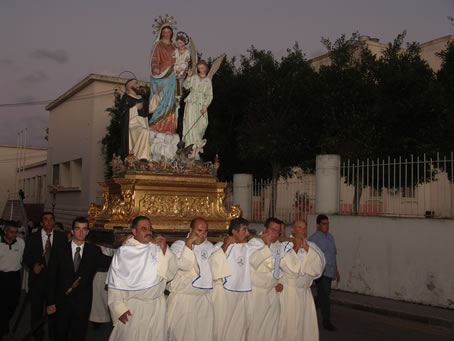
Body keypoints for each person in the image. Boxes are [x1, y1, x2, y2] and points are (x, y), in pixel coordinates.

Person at [106, 216, 177, 341]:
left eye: (150, 228)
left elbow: (170, 274)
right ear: (134, 231)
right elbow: (115, 284)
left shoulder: (157, 248)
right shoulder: (124, 252)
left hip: (157, 306)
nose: (149, 232)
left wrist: (165, 250)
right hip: (134, 307)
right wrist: (119, 308)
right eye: (144, 229)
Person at [46, 216, 112, 341]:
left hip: (82, 303)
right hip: (61, 301)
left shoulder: (93, 251)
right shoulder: (59, 250)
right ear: (72, 231)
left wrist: (127, 248)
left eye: (84, 229)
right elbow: (51, 277)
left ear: (87, 232)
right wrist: (50, 302)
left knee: (79, 334)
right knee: (60, 333)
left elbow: (113, 262)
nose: (81, 232)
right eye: (77, 229)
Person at [167, 217, 230, 341]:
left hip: (203, 299)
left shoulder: (210, 247)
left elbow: (216, 268)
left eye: (205, 231)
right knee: (180, 336)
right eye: (199, 231)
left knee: (203, 335)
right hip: (183, 299)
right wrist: (189, 244)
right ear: (191, 230)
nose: (202, 235)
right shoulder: (179, 245)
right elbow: (183, 265)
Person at [211, 217, 272, 341]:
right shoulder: (219, 246)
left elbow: (256, 259)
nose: (248, 234)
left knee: (238, 328)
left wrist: (266, 245)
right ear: (234, 231)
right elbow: (213, 264)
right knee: (221, 327)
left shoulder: (247, 248)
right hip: (223, 294)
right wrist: (225, 245)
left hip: (241, 294)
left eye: (247, 230)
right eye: (244, 230)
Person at [23, 211, 67, 341]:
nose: (49, 222)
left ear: (54, 222)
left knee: (54, 311)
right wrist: (33, 265)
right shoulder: (32, 238)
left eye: (51, 219)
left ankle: (54, 336)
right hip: (37, 280)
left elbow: (65, 258)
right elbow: (26, 257)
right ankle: (38, 336)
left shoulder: (61, 237)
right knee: (36, 311)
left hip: (54, 282)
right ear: (41, 223)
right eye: (45, 220)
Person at [279, 220, 326, 341]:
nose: (302, 230)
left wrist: (306, 248)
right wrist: (295, 248)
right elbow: (284, 265)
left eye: (305, 228)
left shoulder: (312, 246)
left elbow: (319, 267)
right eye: (299, 227)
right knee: (288, 327)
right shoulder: (284, 244)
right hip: (289, 292)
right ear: (293, 230)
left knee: (304, 327)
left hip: (304, 293)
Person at [246, 217, 286, 341]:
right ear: (264, 229)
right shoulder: (254, 243)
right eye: (272, 230)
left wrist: (279, 281)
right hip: (257, 292)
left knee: (272, 325)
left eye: (277, 231)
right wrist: (266, 246)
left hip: (272, 291)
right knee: (256, 326)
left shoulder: (279, 246)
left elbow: (280, 266)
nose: (275, 234)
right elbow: (252, 262)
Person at [308, 214, 340, 331]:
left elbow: (333, 255)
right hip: (321, 273)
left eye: (327, 224)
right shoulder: (313, 239)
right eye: (324, 224)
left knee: (323, 297)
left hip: (330, 271)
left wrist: (336, 270)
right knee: (325, 298)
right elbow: (310, 257)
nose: (326, 226)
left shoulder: (330, 237)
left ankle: (307, 309)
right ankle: (327, 322)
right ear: (318, 225)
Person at [149, 24, 179, 133]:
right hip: (163, 74)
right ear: (161, 33)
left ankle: (169, 126)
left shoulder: (175, 47)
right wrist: (155, 68)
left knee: (171, 100)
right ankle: (157, 123)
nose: (166, 34)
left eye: (168, 32)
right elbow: (155, 59)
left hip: (173, 76)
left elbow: (180, 61)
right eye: (164, 32)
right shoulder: (159, 45)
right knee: (162, 97)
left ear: (171, 33)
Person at [181, 60, 213, 160]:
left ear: (206, 68)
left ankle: (198, 143)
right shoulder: (194, 77)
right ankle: (193, 148)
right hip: (191, 103)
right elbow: (186, 86)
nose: (201, 70)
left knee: (202, 124)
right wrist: (189, 76)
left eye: (202, 68)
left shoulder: (208, 80)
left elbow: (210, 95)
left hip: (201, 104)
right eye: (199, 68)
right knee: (190, 124)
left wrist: (205, 105)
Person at [119, 78, 155, 161]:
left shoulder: (142, 99)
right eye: (136, 83)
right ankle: (142, 157)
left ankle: (144, 157)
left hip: (143, 123)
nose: (138, 85)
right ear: (129, 86)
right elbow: (123, 115)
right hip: (133, 125)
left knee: (149, 133)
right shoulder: (126, 98)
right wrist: (135, 108)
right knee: (144, 132)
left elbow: (150, 109)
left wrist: (156, 95)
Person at [0, 222, 25, 338]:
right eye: (11, 232)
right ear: (5, 231)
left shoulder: (20, 242)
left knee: (14, 303)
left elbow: (26, 256)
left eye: (16, 232)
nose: (14, 235)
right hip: (1, 276)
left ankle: (4, 322)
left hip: (14, 276)